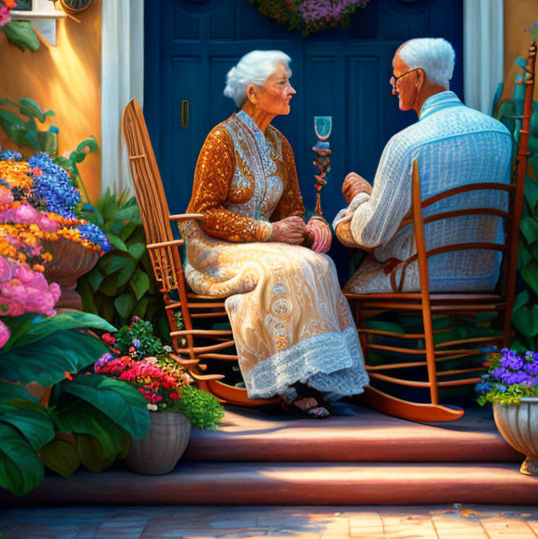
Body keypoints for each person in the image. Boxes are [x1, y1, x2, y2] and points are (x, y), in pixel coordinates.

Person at [181, 50, 368, 418]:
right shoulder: (221, 139)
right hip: (214, 246)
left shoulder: (279, 143)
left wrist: (310, 225)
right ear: (253, 92)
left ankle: (316, 376)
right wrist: (269, 230)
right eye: (282, 83)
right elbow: (205, 213)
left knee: (319, 264)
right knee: (280, 270)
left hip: (264, 245)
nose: (291, 91)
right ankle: (285, 382)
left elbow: (292, 210)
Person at [334, 37, 513, 294]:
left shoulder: (408, 143)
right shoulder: (500, 134)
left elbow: (370, 233)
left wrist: (361, 198)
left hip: (424, 280)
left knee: (346, 292)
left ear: (418, 77)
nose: (393, 86)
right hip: (485, 279)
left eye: (397, 77)